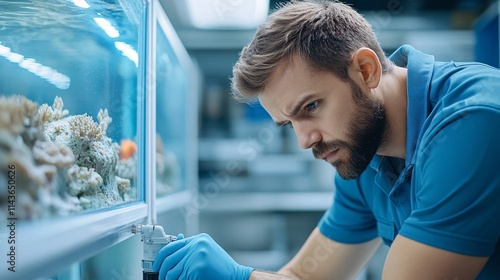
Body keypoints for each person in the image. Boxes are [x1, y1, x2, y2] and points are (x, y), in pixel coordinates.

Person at [153, 0, 500, 279]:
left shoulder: (473, 122)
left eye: (311, 106)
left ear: (366, 71)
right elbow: (306, 277)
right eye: (288, 123)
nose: (305, 141)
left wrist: (241, 278)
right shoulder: (364, 153)